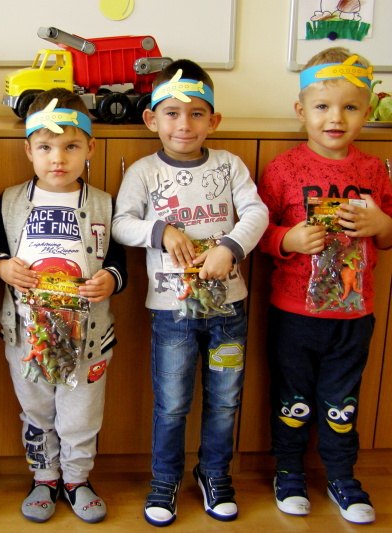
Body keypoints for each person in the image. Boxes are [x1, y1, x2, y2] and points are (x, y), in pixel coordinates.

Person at [112, 59, 269, 527]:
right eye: (172, 113)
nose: (184, 124)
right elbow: (121, 224)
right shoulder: (144, 172)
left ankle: (214, 473)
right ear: (151, 119)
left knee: (224, 401)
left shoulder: (229, 165)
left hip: (229, 310)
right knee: (172, 405)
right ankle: (165, 479)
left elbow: (256, 212)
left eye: (197, 113)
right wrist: (161, 231)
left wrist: (230, 247)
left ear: (213, 121)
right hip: (172, 313)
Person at [258, 48, 392, 525]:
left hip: (354, 315)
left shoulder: (374, 170)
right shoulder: (283, 168)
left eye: (350, 107)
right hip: (294, 313)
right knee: (291, 398)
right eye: (322, 106)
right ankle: (289, 471)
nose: (336, 118)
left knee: (342, 401)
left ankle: (341, 475)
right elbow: (259, 232)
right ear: (301, 110)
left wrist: (381, 224)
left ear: (368, 111)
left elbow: (388, 235)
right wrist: (288, 239)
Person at [0, 88, 127, 524]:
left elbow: (118, 262)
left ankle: (77, 478)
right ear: (28, 150)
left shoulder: (104, 202)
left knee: (81, 413)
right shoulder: (10, 200)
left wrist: (109, 280)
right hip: (27, 336)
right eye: (46, 147)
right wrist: (4, 267)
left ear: (90, 148)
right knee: (36, 410)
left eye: (70, 147)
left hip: (87, 340)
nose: (58, 159)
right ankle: (44, 476)